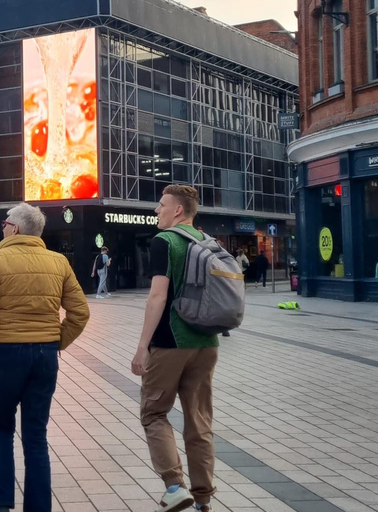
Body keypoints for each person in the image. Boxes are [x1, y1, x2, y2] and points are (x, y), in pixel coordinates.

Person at [0, 203, 90, 512]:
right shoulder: (59, 262)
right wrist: (57, 341)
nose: (2, 227)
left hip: (6, 353)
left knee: (2, 427)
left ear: (16, 229)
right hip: (44, 354)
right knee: (36, 434)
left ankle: (2, 503)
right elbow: (80, 313)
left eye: (5, 223)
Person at [131, 185, 219, 512]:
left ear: (178, 210)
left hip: (170, 342)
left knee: (154, 412)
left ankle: (174, 486)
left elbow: (157, 296)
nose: (157, 210)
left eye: (161, 205)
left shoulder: (165, 241)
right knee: (198, 421)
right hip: (207, 343)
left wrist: (142, 347)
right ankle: (204, 499)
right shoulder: (207, 241)